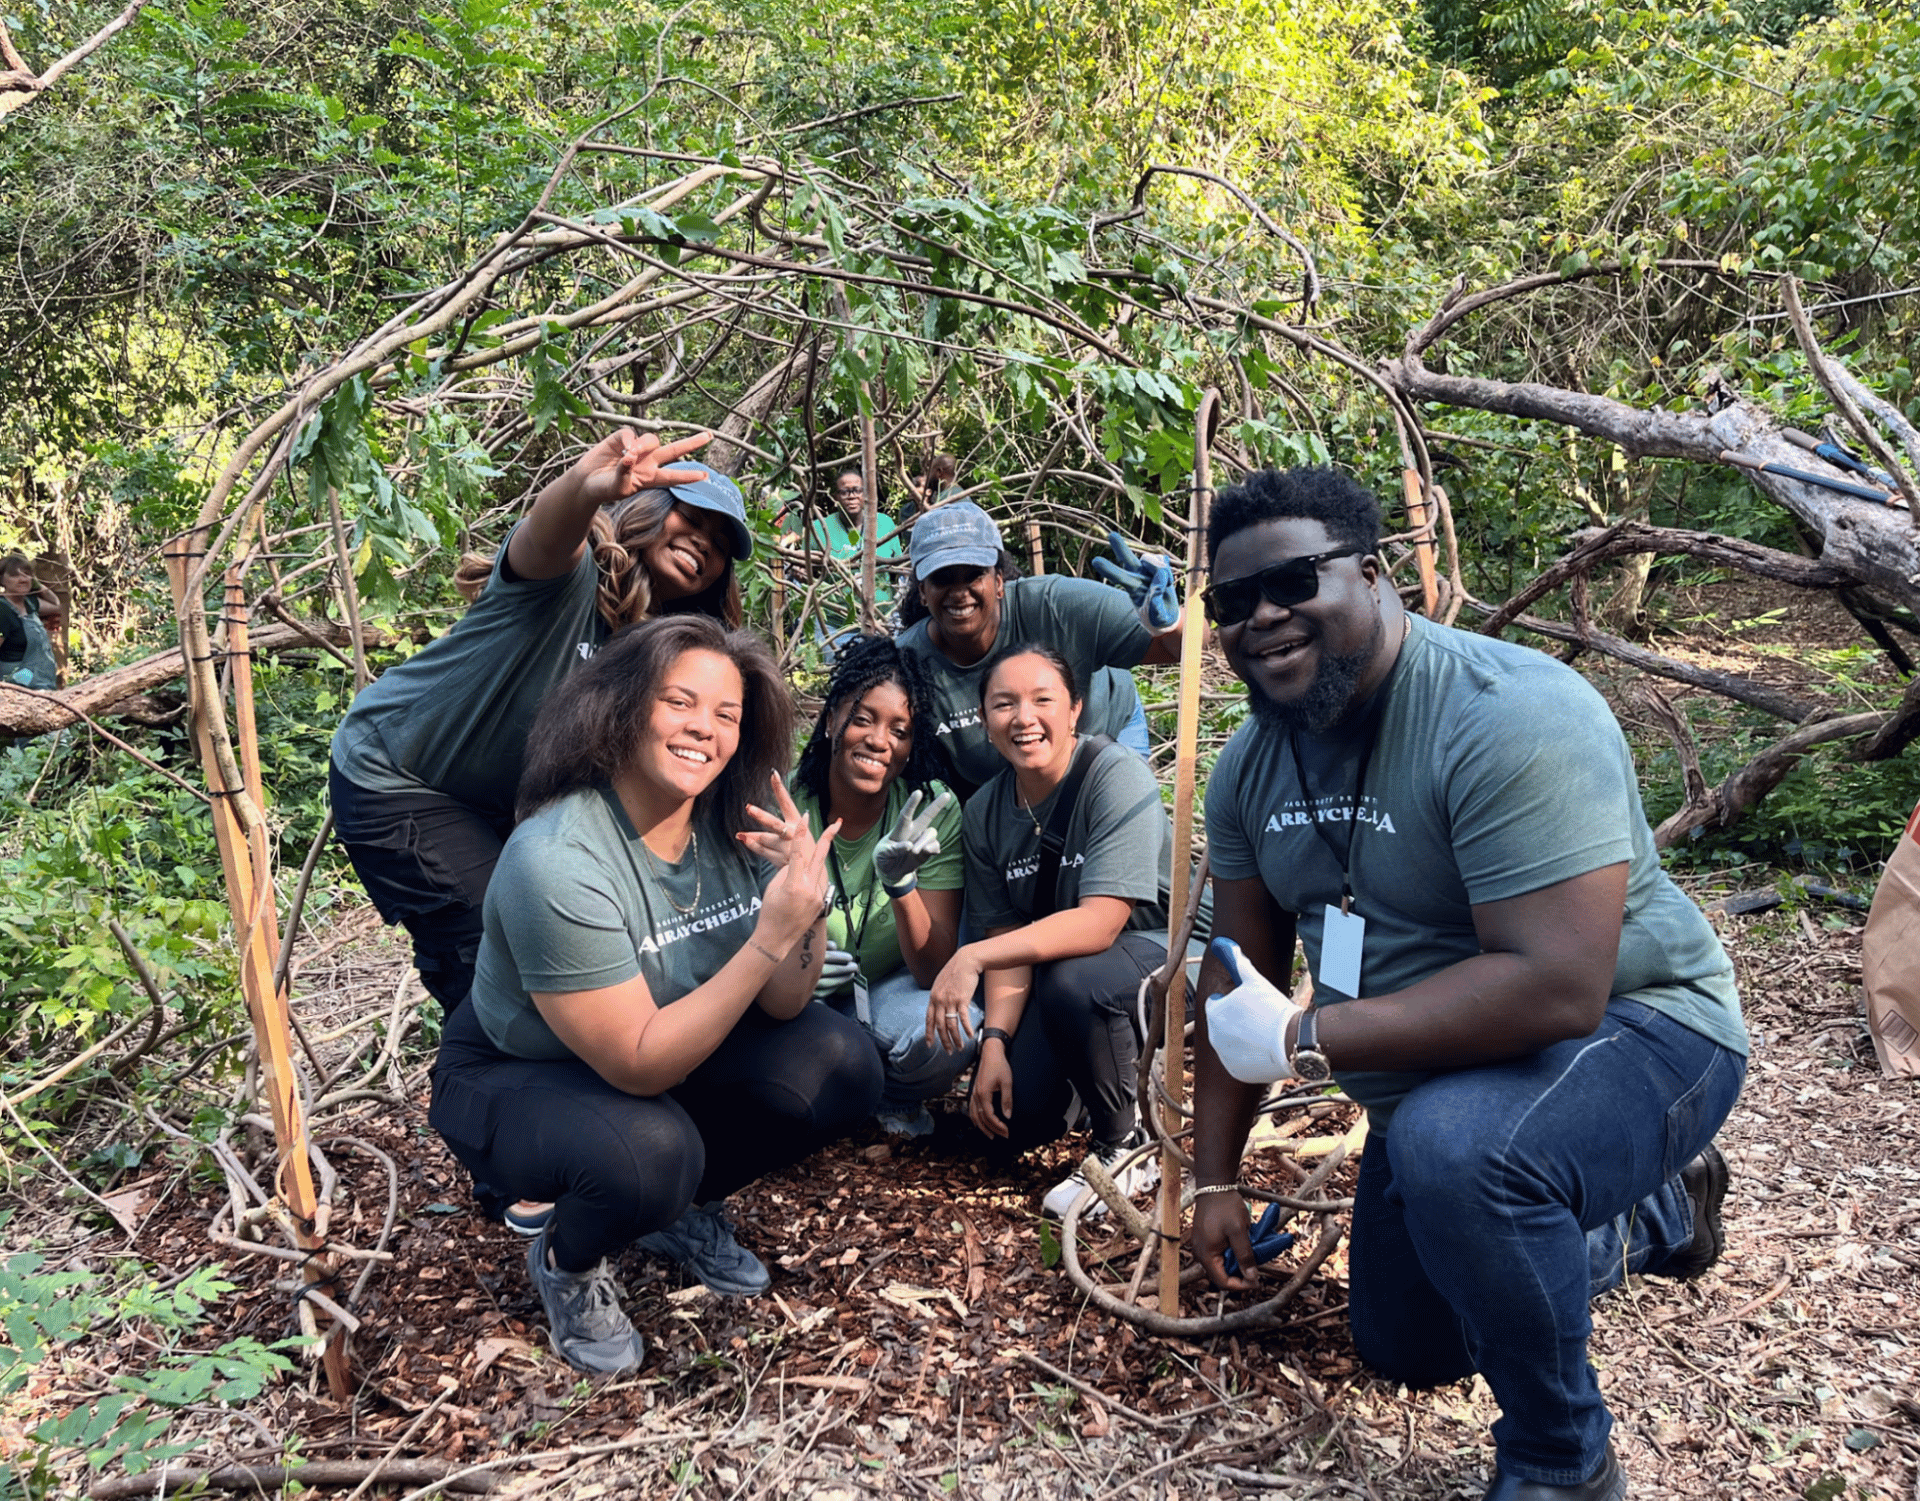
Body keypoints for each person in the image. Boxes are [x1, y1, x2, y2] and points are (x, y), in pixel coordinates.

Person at [1187, 467, 1748, 1501]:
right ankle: (1651, 1210)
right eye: (1231, 601)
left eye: (1292, 582)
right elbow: (1238, 984)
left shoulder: (1509, 714)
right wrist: (1212, 1178)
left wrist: (1310, 1035)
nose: (1261, 617)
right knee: (1407, 1343)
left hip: (1642, 1028)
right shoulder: (1251, 769)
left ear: (1372, 571)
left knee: (1463, 1154)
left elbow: (1554, 989)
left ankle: (1559, 1452)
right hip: (1442, 1073)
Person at [428, 616, 883, 1375]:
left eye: (726, 714)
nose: (703, 728)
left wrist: (805, 903)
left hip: (659, 1043)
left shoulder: (731, 825)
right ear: (624, 705)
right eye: (681, 702)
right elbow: (638, 1063)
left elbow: (783, 1002)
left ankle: (679, 1215)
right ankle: (568, 1259)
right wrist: (769, 934)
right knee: (648, 1153)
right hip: (519, 1069)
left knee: (843, 1060)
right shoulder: (557, 857)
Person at [328, 427, 741, 1017]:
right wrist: (583, 488)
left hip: (504, 798)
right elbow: (549, 537)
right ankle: (484, 1087)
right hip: (401, 777)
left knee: (551, 930)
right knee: (493, 953)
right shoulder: (570, 583)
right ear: (647, 509)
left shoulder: (659, 653)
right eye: (691, 520)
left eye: (721, 544)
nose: (703, 542)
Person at [929, 644, 1200, 1217]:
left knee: (1078, 980)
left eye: (1042, 700)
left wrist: (970, 956)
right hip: (1074, 975)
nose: (1023, 718)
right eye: (1004, 704)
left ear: (1074, 709)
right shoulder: (984, 814)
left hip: (1177, 956)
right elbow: (1011, 946)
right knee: (1010, 1122)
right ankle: (1086, 1073)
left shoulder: (1114, 775)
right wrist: (995, 1044)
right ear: (985, 721)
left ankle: (1123, 1149)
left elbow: (1101, 922)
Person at [789, 636, 966, 1135]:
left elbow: (935, 970)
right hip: (799, 1000)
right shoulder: (787, 806)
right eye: (862, 719)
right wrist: (793, 970)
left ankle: (890, 1096)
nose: (878, 740)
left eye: (900, 730)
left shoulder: (932, 810)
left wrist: (902, 883)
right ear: (830, 722)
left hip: (888, 987)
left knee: (952, 1028)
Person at [895, 503, 1183, 799]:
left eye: (973, 575)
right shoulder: (906, 664)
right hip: (1004, 781)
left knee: (1114, 816)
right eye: (942, 578)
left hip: (1102, 736)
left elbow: (1181, 648)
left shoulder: (1057, 605)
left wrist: (1170, 623)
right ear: (922, 591)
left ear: (998, 582)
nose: (959, 592)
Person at [797, 468, 907, 649]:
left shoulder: (885, 523)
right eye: (844, 492)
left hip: (882, 619)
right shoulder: (819, 528)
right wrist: (801, 571)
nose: (851, 496)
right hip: (835, 625)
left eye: (857, 490)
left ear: (866, 494)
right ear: (835, 497)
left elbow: (900, 570)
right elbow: (805, 569)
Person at [1, 554, 56, 690]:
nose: (23, 579)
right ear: (2, 580)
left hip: (40, 681)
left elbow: (56, 605)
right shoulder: (2, 610)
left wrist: (37, 585)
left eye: (26, 574)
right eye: (15, 575)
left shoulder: (30, 603)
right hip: (16, 682)